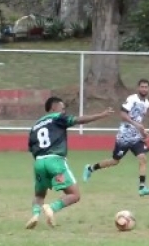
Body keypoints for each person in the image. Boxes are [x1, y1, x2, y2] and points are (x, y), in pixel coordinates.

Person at [26, 97, 114, 229]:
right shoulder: (57, 117)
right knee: (74, 194)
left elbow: (31, 147)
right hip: (55, 161)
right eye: (62, 108)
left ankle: (35, 215)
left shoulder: (35, 126)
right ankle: (51, 208)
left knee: (39, 194)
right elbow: (79, 120)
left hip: (39, 162)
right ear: (53, 108)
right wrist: (101, 115)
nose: (63, 111)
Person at [83, 79, 149, 197]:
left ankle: (142, 187)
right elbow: (122, 114)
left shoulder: (146, 103)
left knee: (143, 158)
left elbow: (139, 120)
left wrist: (143, 132)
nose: (144, 89)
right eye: (142, 87)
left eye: (146, 87)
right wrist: (135, 124)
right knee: (114, 161)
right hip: (124, 136)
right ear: (138, 88)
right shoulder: (132, 99)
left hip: (136, 137)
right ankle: (90, 168)